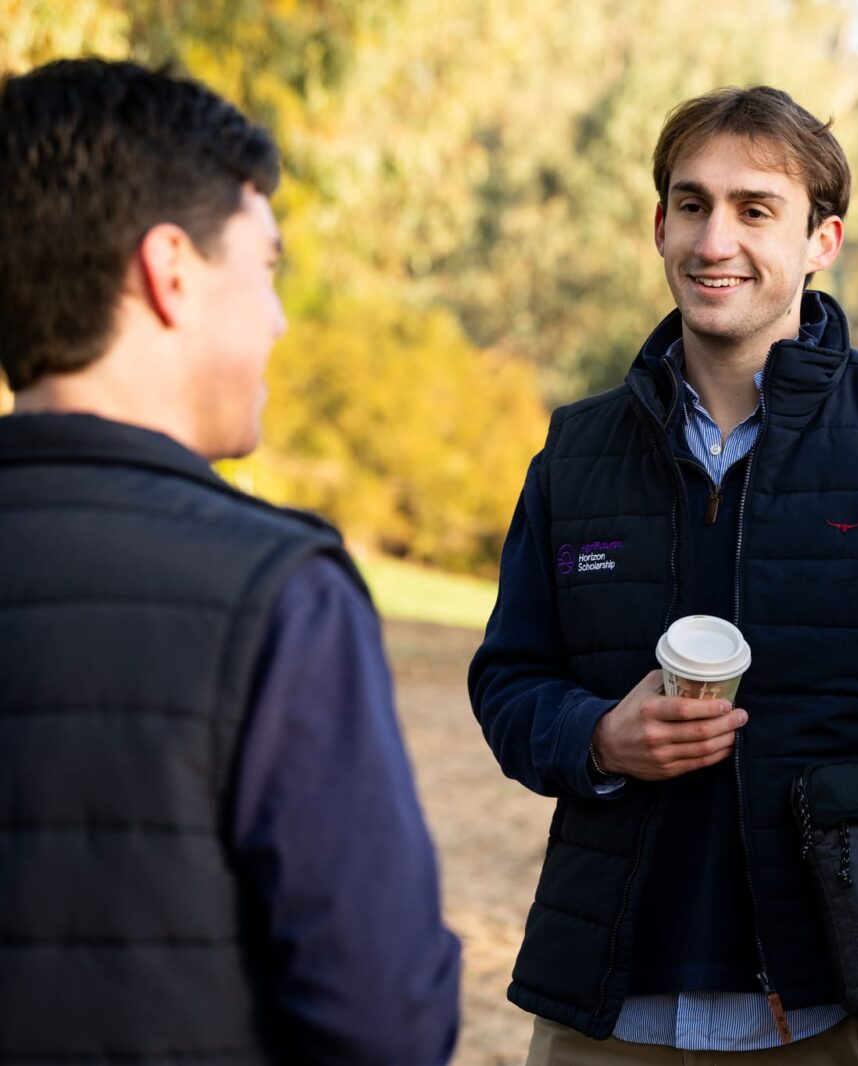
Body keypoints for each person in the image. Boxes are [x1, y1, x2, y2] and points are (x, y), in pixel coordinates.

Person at [469, 85, 858, 1064]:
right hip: (603, 1011)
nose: (713, 238)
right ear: (658, 227)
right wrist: (597, 735)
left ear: (823, 240)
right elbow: (508, 679)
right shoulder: (573, 453)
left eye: (754, 209)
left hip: (832, 1010)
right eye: (691, 205)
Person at [0, 59, 460, 1062]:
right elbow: (383, 1018)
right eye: (266, 268)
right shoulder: (282, 594)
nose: (280, 317)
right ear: (169, 270)